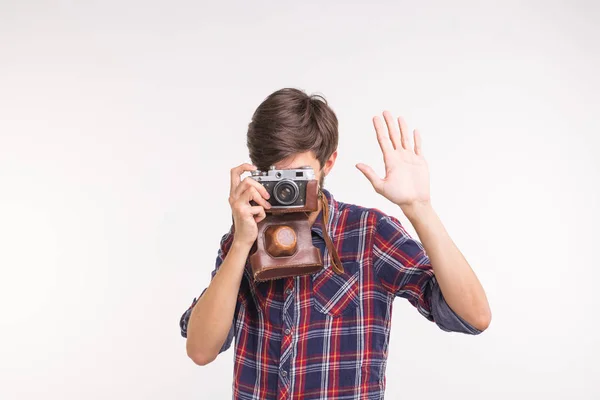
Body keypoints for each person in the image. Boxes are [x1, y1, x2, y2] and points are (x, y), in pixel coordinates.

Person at [180, 88, 491, 400]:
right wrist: (241, 243)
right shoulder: (242, 239)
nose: (286, 190)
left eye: (298, 176)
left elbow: (472, 316)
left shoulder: (368, 233)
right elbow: (201, 350)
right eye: (274, 176)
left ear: (328, 163)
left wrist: (419, 207)